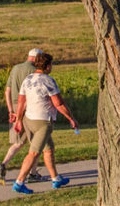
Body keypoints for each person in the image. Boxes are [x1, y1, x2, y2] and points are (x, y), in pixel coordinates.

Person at [10, 51, 78, 195]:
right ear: (47, 66)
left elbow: (21, 102)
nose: (52, 67)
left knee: (49, 148)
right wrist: (71, 118)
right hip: (43, 122)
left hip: (29, 120)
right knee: (34, 153)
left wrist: (19, 120)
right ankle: (19, 182)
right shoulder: (48, 81)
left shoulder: (28, 79)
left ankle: (56, 179)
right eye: (51, 64)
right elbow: (58, 103)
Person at [0, 47, 44, 185]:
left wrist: (11, 111)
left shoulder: (15, 68)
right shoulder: (35, 71)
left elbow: (7, 91)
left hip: (15, 107)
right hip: (28, 108)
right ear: (36, 58)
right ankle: (32, 173)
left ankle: (3, 165)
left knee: (18, 142)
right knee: (36, 142)